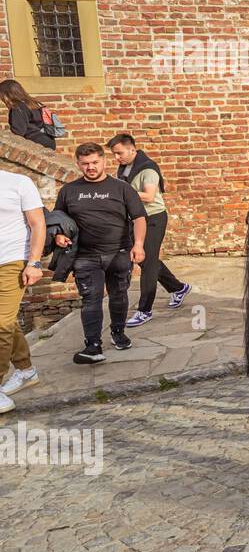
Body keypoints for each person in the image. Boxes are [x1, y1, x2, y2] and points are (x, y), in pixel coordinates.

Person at [53, 143, 147, 364]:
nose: (90, 167)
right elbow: (58, 220)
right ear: (78, 164)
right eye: (85, 164)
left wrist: (139, 244)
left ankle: (118, 332)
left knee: (118, 295)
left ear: (104, 161)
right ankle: (93, 346)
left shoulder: (122, 188)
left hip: (119, 252)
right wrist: (58, 236)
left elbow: (139, 218)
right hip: (85, 256)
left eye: (95, 162)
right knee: (90, 299)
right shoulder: (68, 191)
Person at [109, 133, 192, 327]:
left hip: (154, 218)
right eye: (114, 154)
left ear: (132, 149)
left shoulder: (148, 168)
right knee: (147, 260)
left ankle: (144, 310)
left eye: (119, 153)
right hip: (135, 219)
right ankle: (178, 288)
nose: (116, 158)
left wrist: (121, 193)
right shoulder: (124, 167)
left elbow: (149, 195)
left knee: (147, 260)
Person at [0, 168, 46, 409]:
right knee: (7, 321)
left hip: (12, 260)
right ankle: (26, 369)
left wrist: (34, 262)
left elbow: (38, 223)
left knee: (1, 324)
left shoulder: (18, 182)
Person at [0, 79, 56, 151]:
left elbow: (18, 132)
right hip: (49, 141)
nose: (2, 99)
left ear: (8, 94)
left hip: (35, 143)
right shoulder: (34, 103)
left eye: (2, 96)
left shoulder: (18, 107)